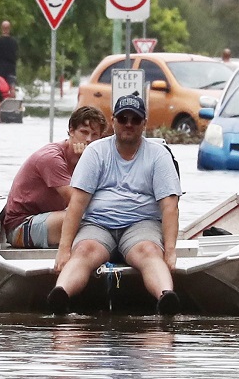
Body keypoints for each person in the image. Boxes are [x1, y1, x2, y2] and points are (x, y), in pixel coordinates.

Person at [48, 93, 182, 316]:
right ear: (114, 121)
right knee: (83, 250)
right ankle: (61, 295)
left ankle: (166, 297)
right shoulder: (96, 152)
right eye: (123, 118)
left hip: (141, 224)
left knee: (149, 251)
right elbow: (77, 204)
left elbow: (170, 207)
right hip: (98, 224)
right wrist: (63, 250)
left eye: (135, 119)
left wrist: (170, 252)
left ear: (144, 123)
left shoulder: (159, 155)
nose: (128, 124)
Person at [4, 105, 108, 248]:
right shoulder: (51, 158)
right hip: (21, 228)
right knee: (91, 219)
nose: (89, 139)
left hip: (48, 218)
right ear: (71, 130)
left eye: (94, 135)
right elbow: (76, 201)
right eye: (84, 132)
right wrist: (85, 161)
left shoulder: (92, 158)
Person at [0, 20, 19, 87]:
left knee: (0, 89)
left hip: (0, 69)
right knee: (11, 88)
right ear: (9, 29)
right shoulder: (14, 42)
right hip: (11, 70)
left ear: (1, 28)